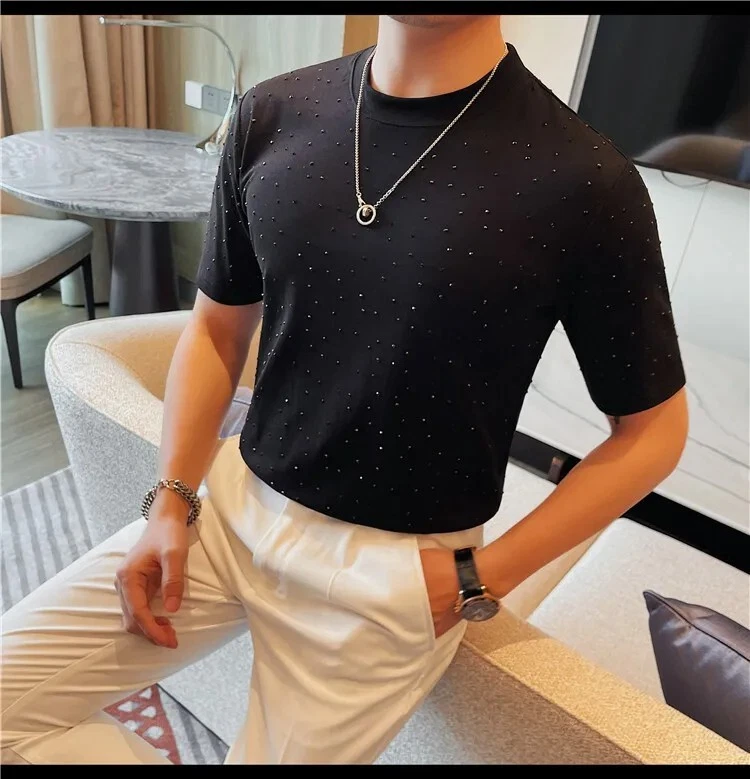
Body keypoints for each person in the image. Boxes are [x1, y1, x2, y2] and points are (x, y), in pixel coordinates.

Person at [1, 14, 689, 765]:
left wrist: (478, 578)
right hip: (230, 507)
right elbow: (216, 331)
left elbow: (652, 432)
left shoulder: (585, 182)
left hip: (388, 574)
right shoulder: (272, 112)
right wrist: (170, 498)